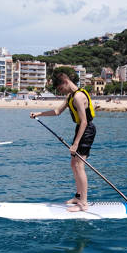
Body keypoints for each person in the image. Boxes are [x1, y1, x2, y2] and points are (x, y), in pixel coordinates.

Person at [30, 72, 96, 212]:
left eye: (60, 89)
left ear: (65, 82)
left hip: (86, 130)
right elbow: (57, 111)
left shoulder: (78, 97)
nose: (60, 92)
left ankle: (83, 203)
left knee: (79, 165)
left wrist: (76, 143)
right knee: (74, 164)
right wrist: (39, 114)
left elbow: (84, 121)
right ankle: (78, 196)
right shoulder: (70, 96)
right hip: (80, 129)